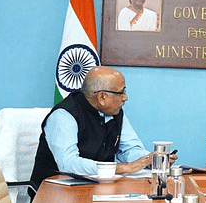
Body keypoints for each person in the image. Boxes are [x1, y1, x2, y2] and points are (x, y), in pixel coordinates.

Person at [30, 66, 176, 195]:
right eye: (122, 92)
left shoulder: (115, 112)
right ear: (102, 97)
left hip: (98, 190)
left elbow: (128, 149)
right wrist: (124, 168)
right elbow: (68, 163)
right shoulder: (64, 116)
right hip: (55, 194)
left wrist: (151, 159)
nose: (126, 98)